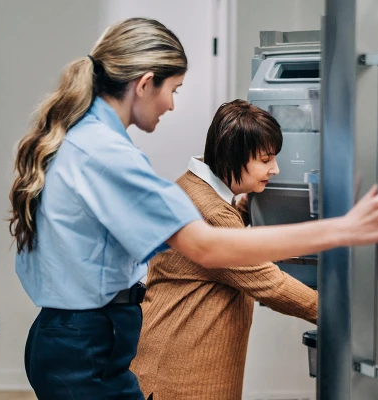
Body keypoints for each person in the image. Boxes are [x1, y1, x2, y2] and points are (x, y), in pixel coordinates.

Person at [8, 17, 378, 400]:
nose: (172, 105)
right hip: (85, 348)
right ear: (145, 84)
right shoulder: (109, 155)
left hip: (79, 340)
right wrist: (343, 229)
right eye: (174, 90)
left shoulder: (88, 138)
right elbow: (208, 246)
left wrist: (247, 212)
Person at [131, 100, 318, 400]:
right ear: (234, 157)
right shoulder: (211, 212)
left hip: (170, 364)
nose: (275, 169)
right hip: (183, 377)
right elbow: (269, 283)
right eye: (266, 160)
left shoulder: (194, 188)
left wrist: (246, 211)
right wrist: (336, 314)